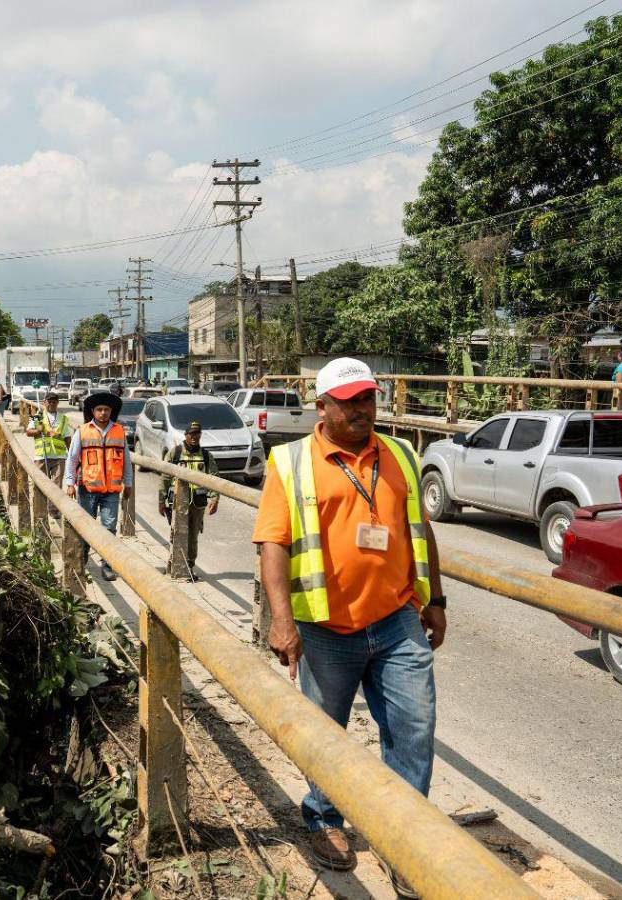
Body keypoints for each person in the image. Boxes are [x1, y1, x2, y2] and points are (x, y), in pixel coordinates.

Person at [251, 357, 446, 898]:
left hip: (397, 620)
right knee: (326, 732)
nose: (362, 409)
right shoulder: (291, 462)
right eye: (349, 401)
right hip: (325, 627)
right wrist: (281, 622)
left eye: (368, 398)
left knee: (413, 727)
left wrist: (436, 600)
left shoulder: (401, 454)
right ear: (322, 407)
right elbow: (273, 544)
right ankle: (323, 817)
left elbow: (420, 529)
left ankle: (403, 838)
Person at [64, 390, 132, 581]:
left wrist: (128, 483)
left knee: (109, 528)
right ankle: (82, 559)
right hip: (87, 489)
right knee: (86, 526)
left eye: (106, 410)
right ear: (93, 411)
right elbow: (72, 459)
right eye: (99, 409)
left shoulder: (119, 431)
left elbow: (126, 460)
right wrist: (69, 483)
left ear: (111, 411)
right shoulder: (83, 431)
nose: (103, 413)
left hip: (111, 491)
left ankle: (107, 565)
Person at [158, 420, 219, 581]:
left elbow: (214, 478)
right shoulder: (175, 453)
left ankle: (189, 566)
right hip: (178, 502)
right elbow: (165, 477)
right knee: (177, 533)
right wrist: (161, 500)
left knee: (192, 537)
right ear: (186, 435)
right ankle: (174, 564)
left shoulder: (206, 456)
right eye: (191, 434)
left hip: (198, 503)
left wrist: (215, 498)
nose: (194, 437)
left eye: (197, 434)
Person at [26, 391, 72, 487]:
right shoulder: (37, 417)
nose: (51, 404)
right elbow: (28, 432)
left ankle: (55, 498)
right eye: (49, 401)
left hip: (59, 457)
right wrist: (37, 431)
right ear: (44, 402)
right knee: (40, 485)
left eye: (54, 402)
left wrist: (71, 454)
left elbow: (67, 437)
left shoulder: (63, 419)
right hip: (42, 456)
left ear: (57, 403)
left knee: (57, 486)